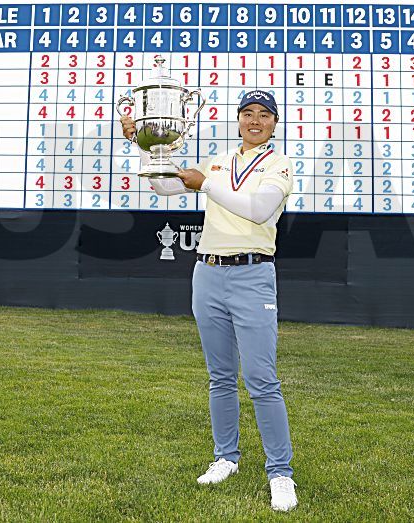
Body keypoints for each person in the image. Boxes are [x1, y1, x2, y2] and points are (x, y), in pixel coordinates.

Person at [120, 90, 298, 512]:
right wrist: (146, 147)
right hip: (209, 273)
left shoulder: (279, 164)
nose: (255, 121)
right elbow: (166, 188)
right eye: (248, 114)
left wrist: (206, 183)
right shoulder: (218, 160)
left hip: (253, 274)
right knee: (220, 375)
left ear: (274, 123)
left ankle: (280, 472)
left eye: (264, 115)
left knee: (261, 379)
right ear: (238, 120)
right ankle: (226, 458)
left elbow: (256, 209)